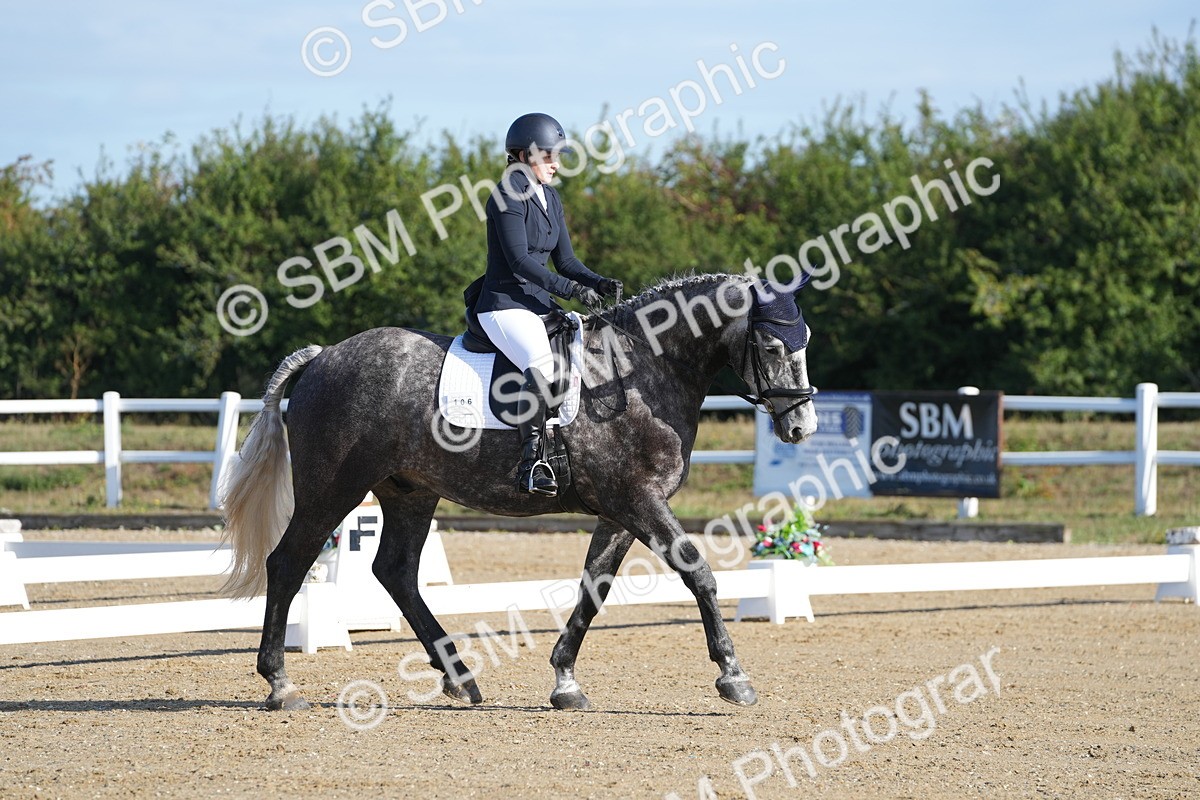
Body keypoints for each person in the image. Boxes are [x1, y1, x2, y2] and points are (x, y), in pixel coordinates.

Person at [475, 113, 622, 496]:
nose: (557, 163)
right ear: (524, 155)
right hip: (504, 304)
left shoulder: (550, 196)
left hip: (537, 301)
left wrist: (597, 281)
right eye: (550, 156)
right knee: (539, 362)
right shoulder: (507, 192)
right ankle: (531, 464)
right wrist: (572, 290)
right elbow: (519, 261)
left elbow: (567, 261)